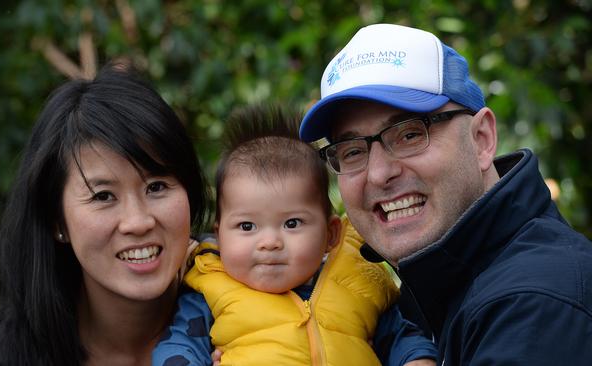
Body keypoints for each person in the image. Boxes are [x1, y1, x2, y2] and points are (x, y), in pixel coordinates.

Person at [299, 23, 592, 365]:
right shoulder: (429, 292)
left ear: (481, 139)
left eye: (410, 134)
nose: (380, 173)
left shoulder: (534, 307)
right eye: (351, 150)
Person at [152, 104, 437, 366]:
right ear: (220, 235)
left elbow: (404, 338)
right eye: (247, 227)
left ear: (331, 234)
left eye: (292, 224)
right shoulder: (209, 293)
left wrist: (417, 360)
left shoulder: (359, 284)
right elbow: (177, 347)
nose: (270, 243)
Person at [0, 62, 209, 365]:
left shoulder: (254, 304)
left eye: (157, 186)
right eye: (103, 196)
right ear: (58, 220)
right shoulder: (13, 356)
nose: (138, 222)